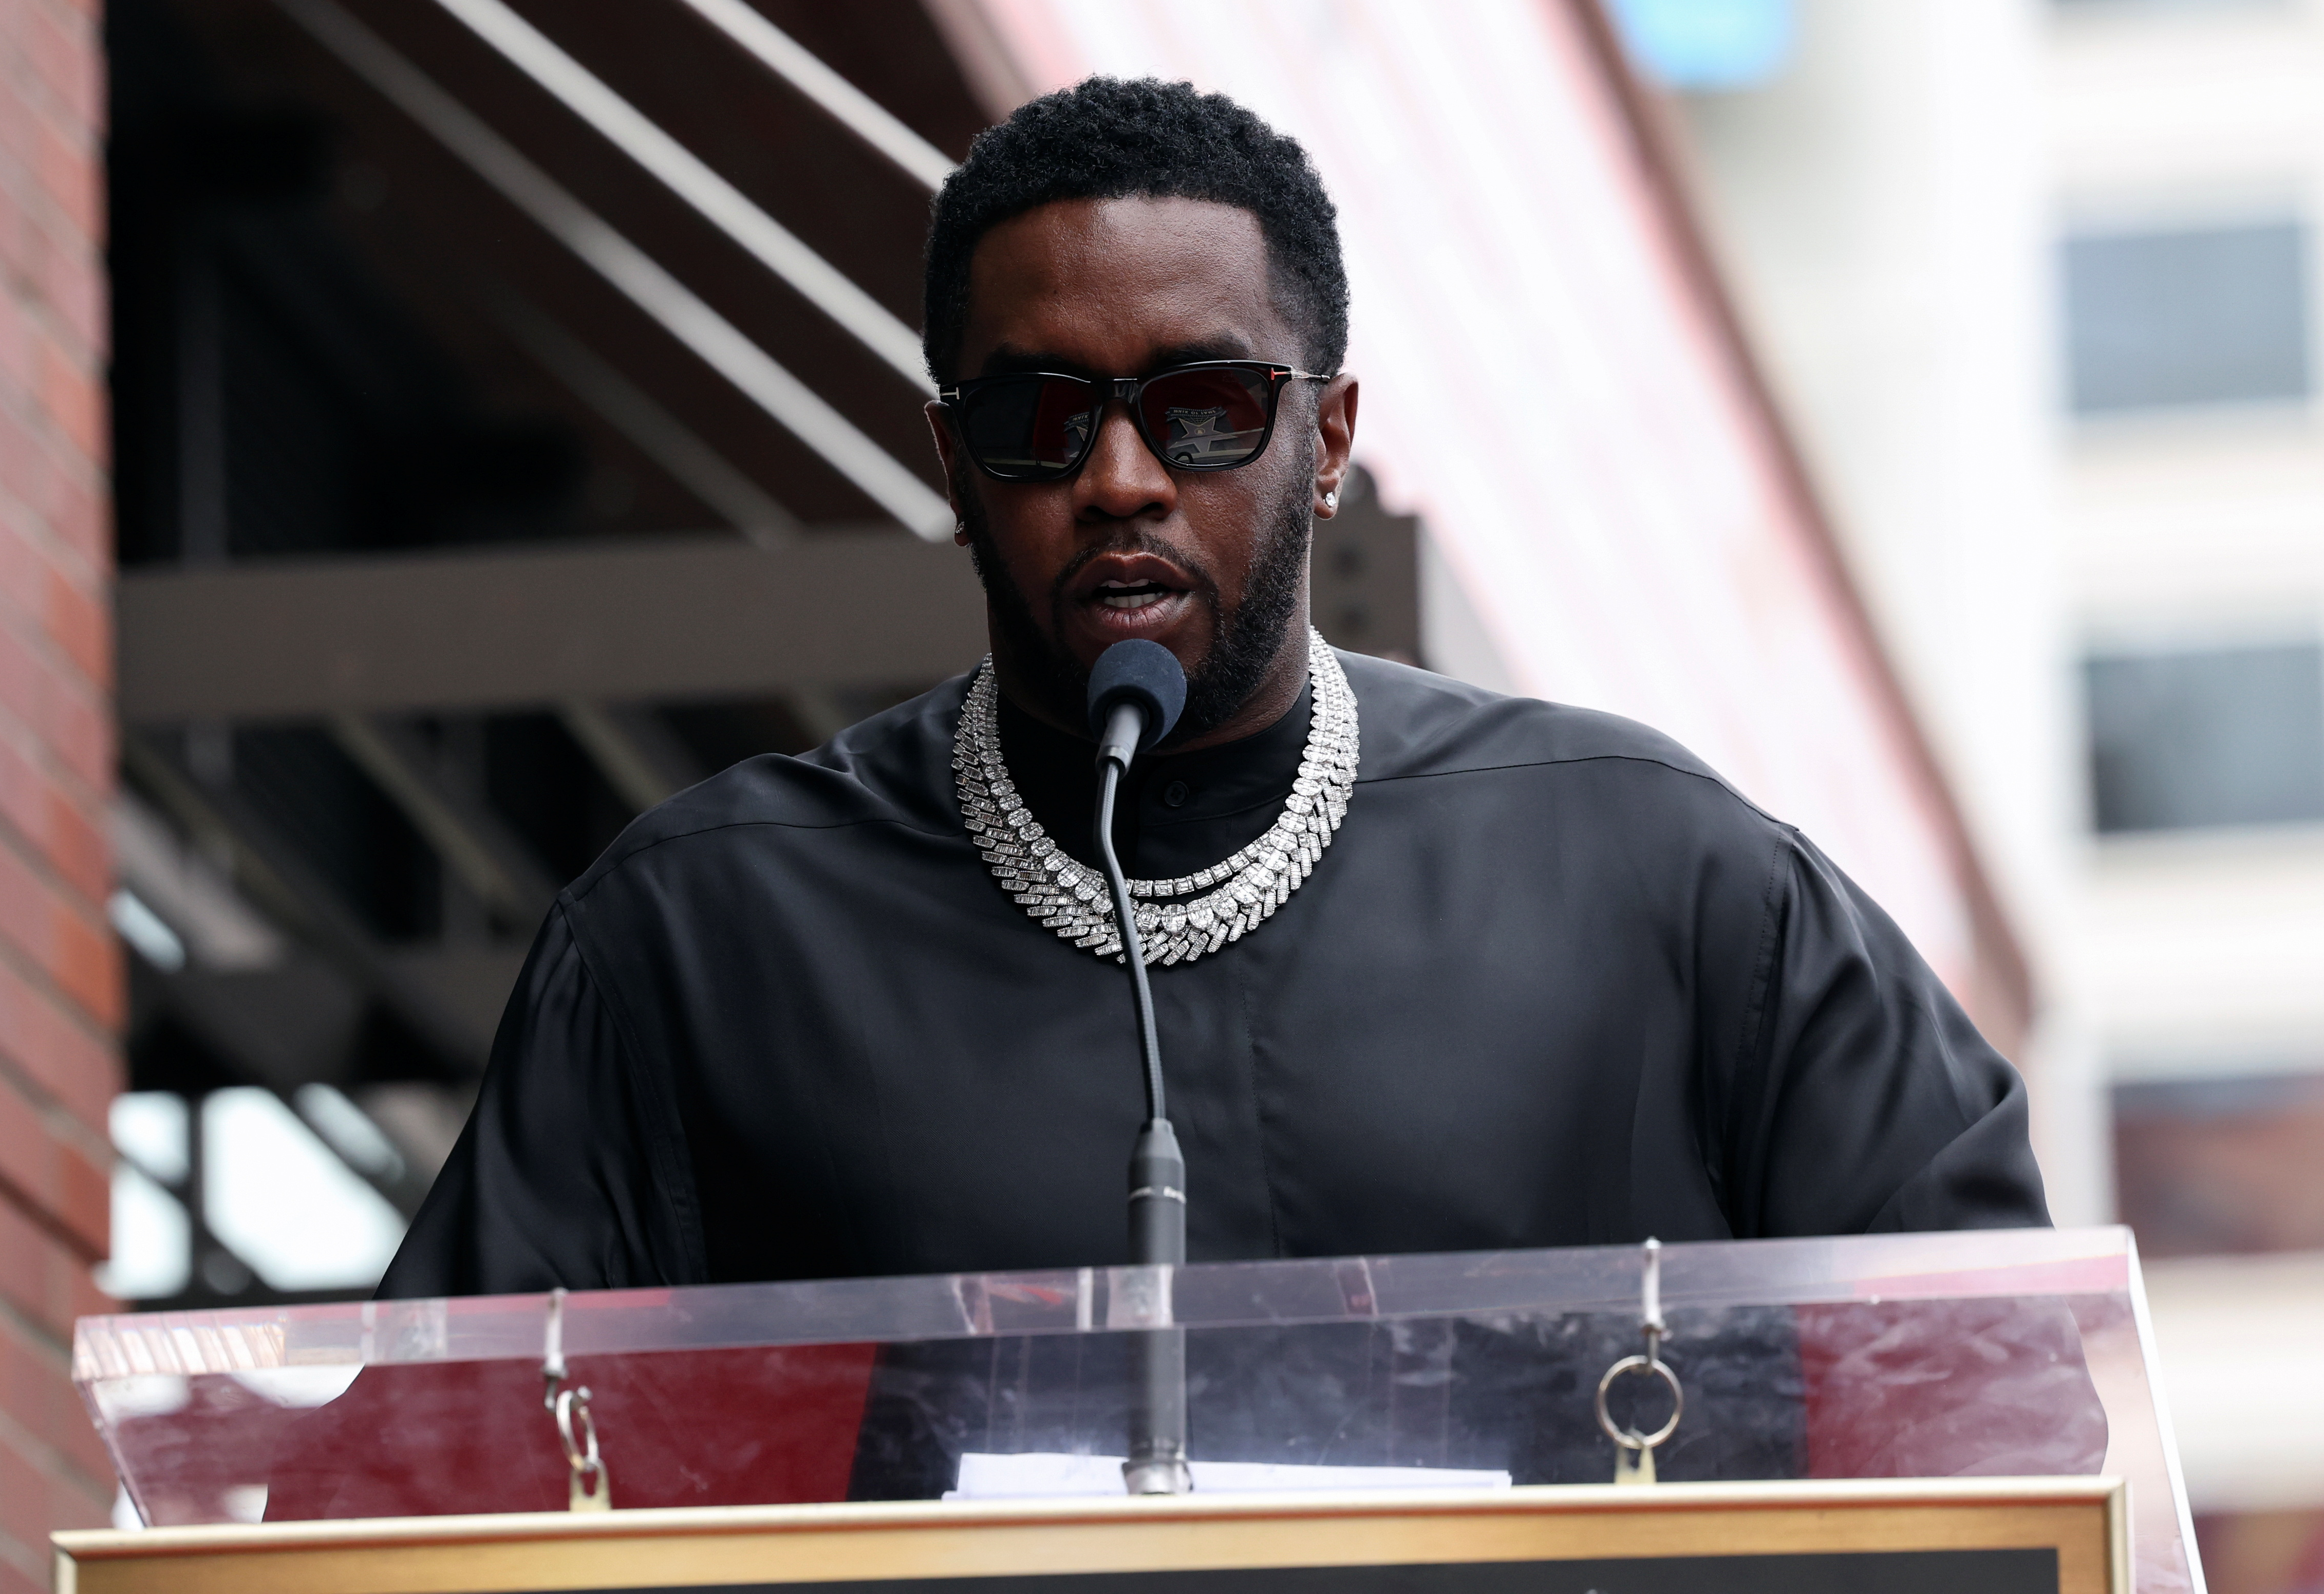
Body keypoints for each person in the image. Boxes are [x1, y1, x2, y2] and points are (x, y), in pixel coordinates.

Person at [378, 78, 2046, 1302]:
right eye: (1042, 415)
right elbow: (420, 1503)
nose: (1120, 478)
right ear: (954, 464)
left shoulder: (1659, 878)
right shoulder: (703, 939)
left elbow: (2003, 1381)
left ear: (1324, 442)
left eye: (1204, 406)